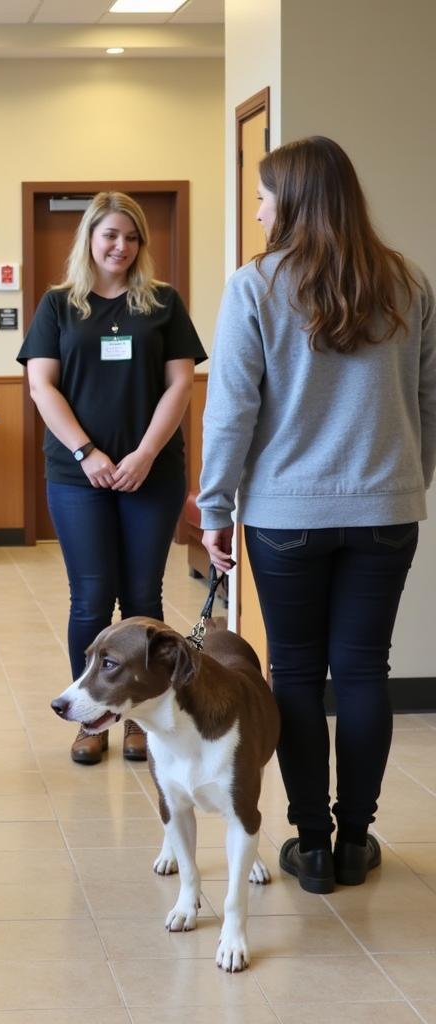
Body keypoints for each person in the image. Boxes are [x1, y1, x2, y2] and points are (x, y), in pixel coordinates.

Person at [199, 136, 436, 894]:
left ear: (296, 199)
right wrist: (403, 481)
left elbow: (232, 412)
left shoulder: (255, 285)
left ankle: (310, 846)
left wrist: (213, 507)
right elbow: (430, 405)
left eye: (265, 195)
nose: (260, 207)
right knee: (365, 671)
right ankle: (357, 839)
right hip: (387, 510)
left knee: (294, 673)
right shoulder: (407, 283)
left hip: (284, 515)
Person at [18, 191, 206, 765]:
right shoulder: (58, 307)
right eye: (109, 235)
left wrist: (146, 454)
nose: (120, 246)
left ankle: (141, 719)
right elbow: (41, 385)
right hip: (79, 477)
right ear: (89, 240)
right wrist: (86, 453)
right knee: (91, 601)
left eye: (131, 237)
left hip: (152, 474)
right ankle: (91, 719)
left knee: (143, 598)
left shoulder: (164, 304)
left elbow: (180, 385)